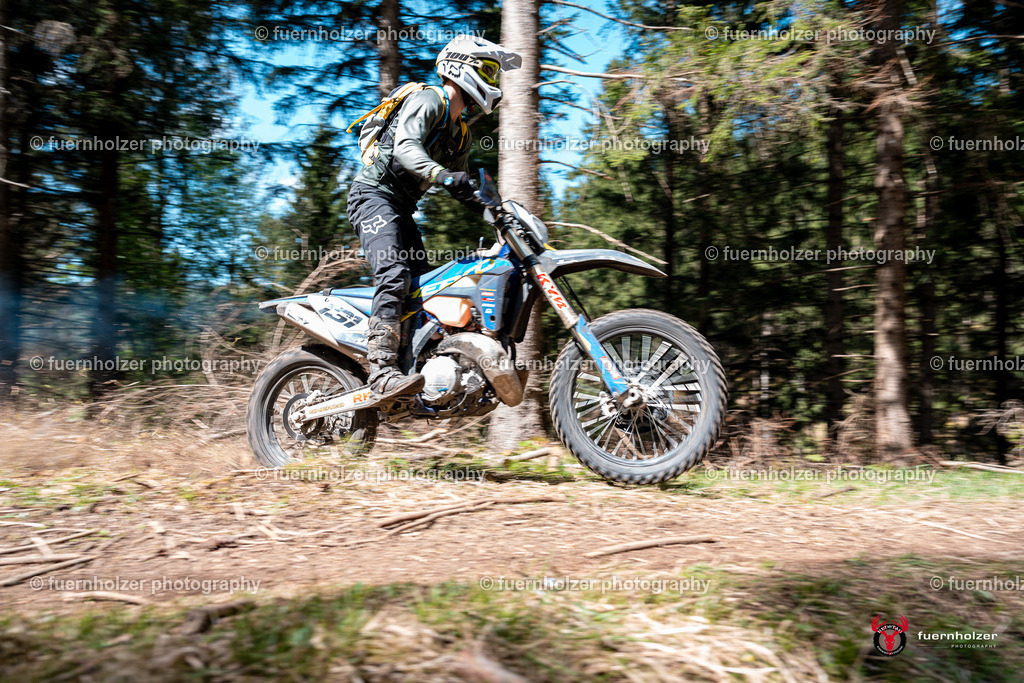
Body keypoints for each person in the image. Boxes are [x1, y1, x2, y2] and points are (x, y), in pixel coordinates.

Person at [347, 36, 521, 401]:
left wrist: (500, 214)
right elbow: (406, 148)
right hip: (373, 197)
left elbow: (464, 188)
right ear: (461, 66)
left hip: (402, 210)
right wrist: (442, 176)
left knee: (424, 289)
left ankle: (413, 369)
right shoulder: (429, 98)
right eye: (489, 69)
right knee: (394, 275)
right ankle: (381, 371)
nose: (493, 79)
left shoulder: (461, 135)